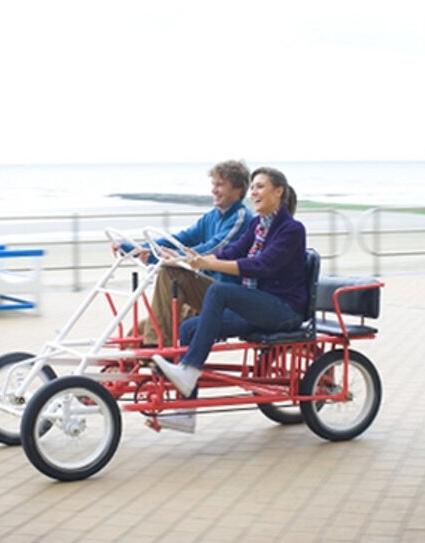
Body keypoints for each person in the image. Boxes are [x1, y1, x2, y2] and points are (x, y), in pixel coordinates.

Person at [152, 167, 306, 430]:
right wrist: (190, 260)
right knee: (189, 328)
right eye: (253, 187)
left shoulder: (292, 229)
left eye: (260, 187)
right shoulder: (258, 225)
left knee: (219, 290)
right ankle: (185, 413)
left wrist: (209, 263)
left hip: (284, 310)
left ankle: (189, 370)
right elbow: (231, 252)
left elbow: (261, 266)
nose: (253, 192)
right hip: (259, 306)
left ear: (278, 191)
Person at [119, 160, 252, 347]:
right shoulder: (212, 216)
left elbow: (214, 248)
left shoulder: (241, 217)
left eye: (220, 185)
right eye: (213, 184)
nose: (214, 190)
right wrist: (136, 248)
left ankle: (158, 348)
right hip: (205, 292)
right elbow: (182, 239)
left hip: (227, 295)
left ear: (238, 189)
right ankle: (132, 362)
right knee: (139, 331)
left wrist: (176, 258)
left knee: (171, 273)